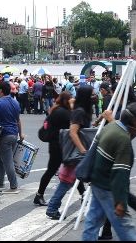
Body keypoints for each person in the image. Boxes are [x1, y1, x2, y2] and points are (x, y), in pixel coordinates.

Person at [81, 103, 136, 241]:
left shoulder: (111, 127)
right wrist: (121, 202)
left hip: (97, 182)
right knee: (125, 227)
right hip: (108, 187)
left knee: (92, 222)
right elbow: (120, 174)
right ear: (134, 122)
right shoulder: (123, 139)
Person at [46, 86, 93, 219]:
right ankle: (52, 207)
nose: (94, 96)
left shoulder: (78, 109)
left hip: (76, 151)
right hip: (77, 152)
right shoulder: (79, 111)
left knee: (72, 180)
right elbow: (73, 132)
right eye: (91, 95)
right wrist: (83, 150)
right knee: (67, 181)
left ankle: (85, 202)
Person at [34, 91, 73, 207]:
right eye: (70, 99)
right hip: (60, 146)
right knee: (69, 169)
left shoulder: (56, 109)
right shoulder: (64, 112)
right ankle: (39, 195)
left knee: (69, 169)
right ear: (66, 100)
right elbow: (72, 125)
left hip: (56, 145)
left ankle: (39, 194)